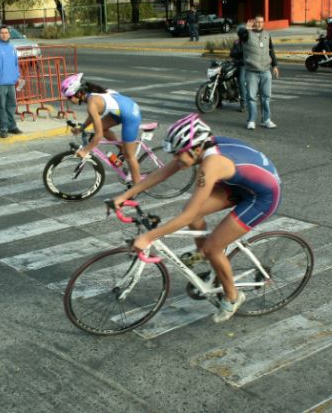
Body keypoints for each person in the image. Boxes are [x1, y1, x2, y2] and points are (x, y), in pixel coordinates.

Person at [112, 113, 281, 323]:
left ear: (196, 148)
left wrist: (149, 237)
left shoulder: (211, 164)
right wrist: (124, 195)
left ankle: (233, 296)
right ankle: (205, 255)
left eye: (178, 154)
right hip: (238, 184)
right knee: (196, 215)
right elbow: (162, 173)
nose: (176, 159)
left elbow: (187, 217)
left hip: (262, 197)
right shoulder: (199, 148)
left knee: (213, 246)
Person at [60, 73, 143, 185]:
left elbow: (98, 135)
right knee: (101, 127)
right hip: (123, 109)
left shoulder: (92, 103)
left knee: (130, 156)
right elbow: (93, 114)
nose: (68, 100)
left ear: (79, 93)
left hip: (130, 115)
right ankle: (122, 149)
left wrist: (85, 151)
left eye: (69, 97)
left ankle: (137, 188)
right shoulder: (92, 94)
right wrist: (82, 128)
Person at [241, 16, 279, 130]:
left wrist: (275, 66)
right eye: (257, 22)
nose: (259, 24)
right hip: (252, 71)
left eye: (261, 22)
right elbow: (241, 38)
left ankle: (266, 120)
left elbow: (271, 50)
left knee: (266, 97)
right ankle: (251, 120)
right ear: (253, 22)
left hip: (266, 71)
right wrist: (245, 30)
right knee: (252, 97)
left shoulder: (267, 34)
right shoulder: (247, 33)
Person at [229, 24, 249, 112]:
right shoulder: (236, 42)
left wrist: (239, 54)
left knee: (241, 80)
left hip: (243, 65)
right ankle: (219, 99)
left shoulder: (247, 42)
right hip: (235, 63)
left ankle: (243, 103)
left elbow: (246, 55)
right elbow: (232, 53)